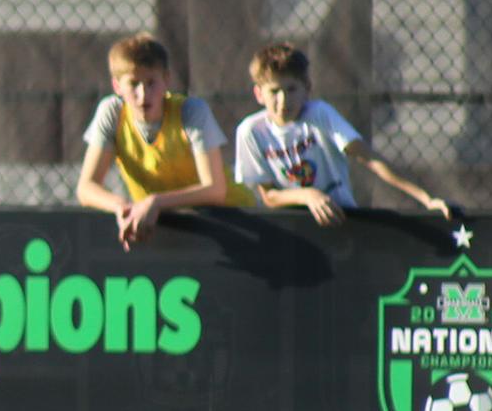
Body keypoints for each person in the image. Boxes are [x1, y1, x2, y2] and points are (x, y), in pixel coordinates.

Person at [234, 41, 452, 225]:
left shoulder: (321, 115)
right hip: (289, 234)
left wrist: (426, 199)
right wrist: (309, 196)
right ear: (259, 94)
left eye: (291, 89)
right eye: (274, 91)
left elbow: (370, 159)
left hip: (340, 224)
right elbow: (269, 196)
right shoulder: (250, 132)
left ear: (307, 88)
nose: (283, 100)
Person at [77, 32, 254, 250]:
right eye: (133, 83)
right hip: (169, 230)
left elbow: (215, 190)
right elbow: (86, 188)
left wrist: (155, 202)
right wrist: (123, 208)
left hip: (237, 225)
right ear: (117, 86)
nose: (143, 94)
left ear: (167, 80)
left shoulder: (191, 112)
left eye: (152, 83)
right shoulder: (112, 113)